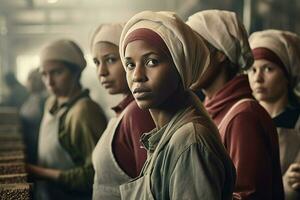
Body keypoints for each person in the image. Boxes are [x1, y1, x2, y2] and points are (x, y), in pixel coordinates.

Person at [119, 11, 236, 199]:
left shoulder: (190, 142)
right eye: (130, 65)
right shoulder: (167, 136)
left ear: (180, 66)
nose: (137, 76)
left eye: (151, 62)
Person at [186, 10, 284, 199]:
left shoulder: (243, 117)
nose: (189, 60)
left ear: (221, 54)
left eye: (196, 50)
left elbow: (247, 194)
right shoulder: (209, 110)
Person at [27, 39, 107, 200]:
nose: (49, 82)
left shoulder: (84, 112)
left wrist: (38, 172)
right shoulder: (52, 102)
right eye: (44, 74)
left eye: (57, 72)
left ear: (76, 72)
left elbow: (96, 175)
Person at [90, 23, 155, 199]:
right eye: (96, 62)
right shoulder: (124, 111)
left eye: (111, 59)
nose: (101, 72)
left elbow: (147, 190)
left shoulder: (138, 112)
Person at [248, 29, 300, 200]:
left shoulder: (297, 121)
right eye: (253, 70)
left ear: (287, 75)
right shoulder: (243, 118)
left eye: (268, 69)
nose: (258, 78)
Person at [20, 68, 48, 164]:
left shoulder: (43, 99)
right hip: (28, 139)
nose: (26, 83)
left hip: (36, 141)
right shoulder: (31, 97)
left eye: (29, 80)